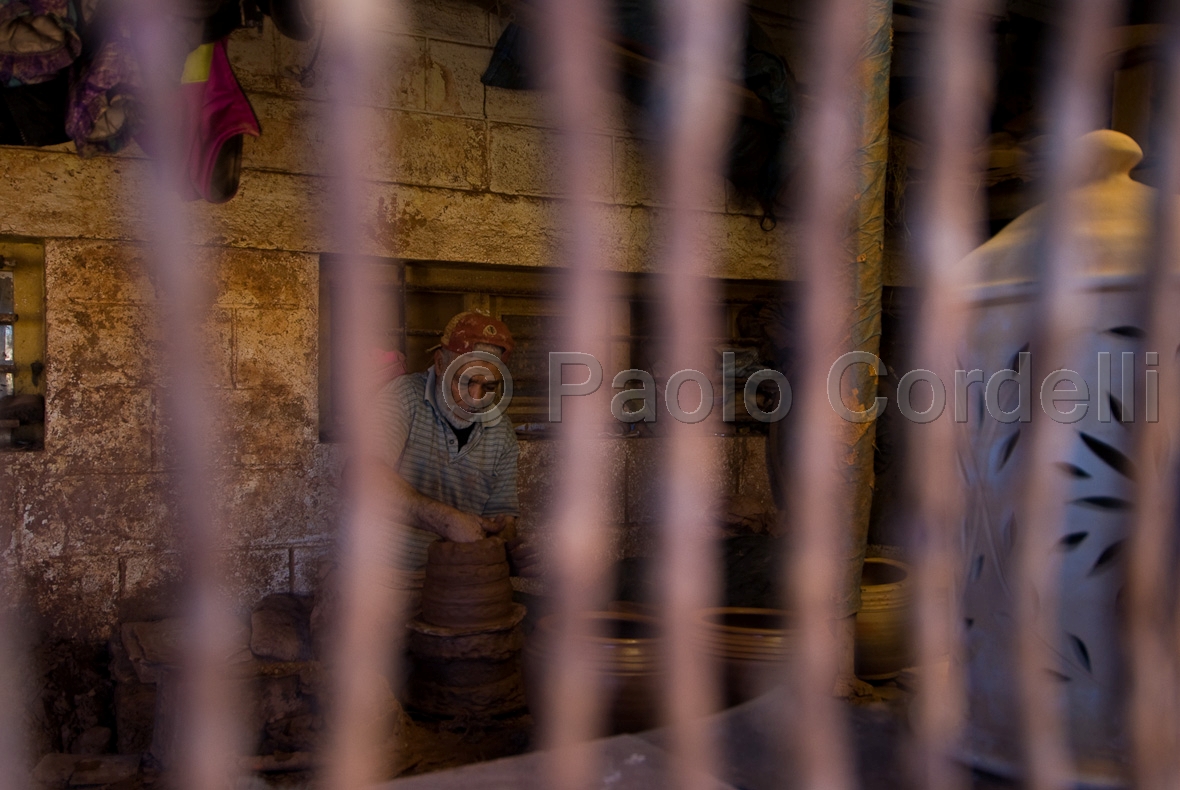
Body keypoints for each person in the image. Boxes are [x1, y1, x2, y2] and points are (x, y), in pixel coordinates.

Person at [375, 311, 538, 578]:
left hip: (458, 581)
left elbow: (502, 519)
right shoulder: (403, 397)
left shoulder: (501, 431)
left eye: (488, 386)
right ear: (440, 363)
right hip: (384, 578)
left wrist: (511, 548)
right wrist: (445, 521)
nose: (475, 399)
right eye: (466, 381)